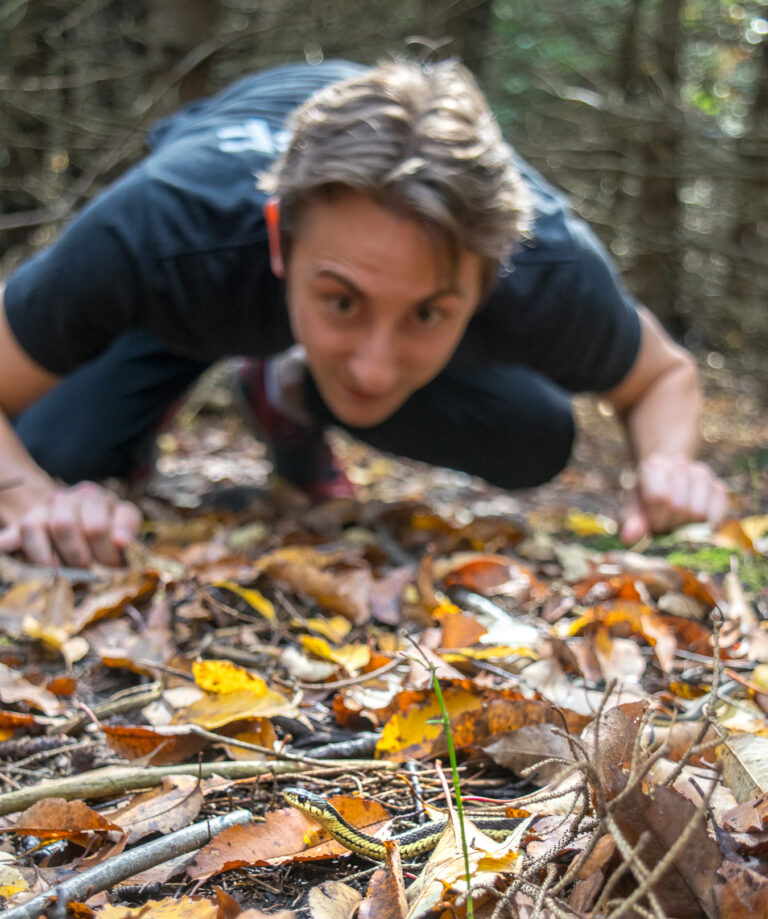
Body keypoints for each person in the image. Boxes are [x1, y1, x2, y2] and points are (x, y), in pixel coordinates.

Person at [0, 58, 727, 568]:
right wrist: (27, 494)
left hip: (255, 284)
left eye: (428, 313)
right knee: (57, 455)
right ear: (280, 237)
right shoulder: (161, 229)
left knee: (537, 436)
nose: (375, 368)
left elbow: (661, 376)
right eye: (342, 300)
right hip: (200, 291)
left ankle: (283, 390)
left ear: (491, 276)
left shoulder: (547, 263)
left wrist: (667, 468)